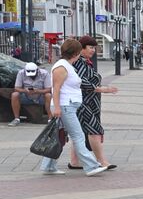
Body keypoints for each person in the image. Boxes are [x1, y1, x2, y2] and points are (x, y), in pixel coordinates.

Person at [38, 39, 107, 176]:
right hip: (65, 106)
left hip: (67, 106)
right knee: (78, 136)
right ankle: (91, 166)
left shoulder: (67, 65)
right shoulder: (62, 67)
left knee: (59, 137)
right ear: (75, 53)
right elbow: (56, 89)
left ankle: (48, 166)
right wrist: (57, 107)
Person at [68, 37, 118, 170]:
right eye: (90, 47)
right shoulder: (79, 63)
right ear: (81, 48)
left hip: (89, 102)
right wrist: (102, 89)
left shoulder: (85, 62)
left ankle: (74, 161)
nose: (93, 51)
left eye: (94, 48)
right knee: (94, 130)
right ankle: (102, 161)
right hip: (84, 103)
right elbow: (80, 81)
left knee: (80, 132)